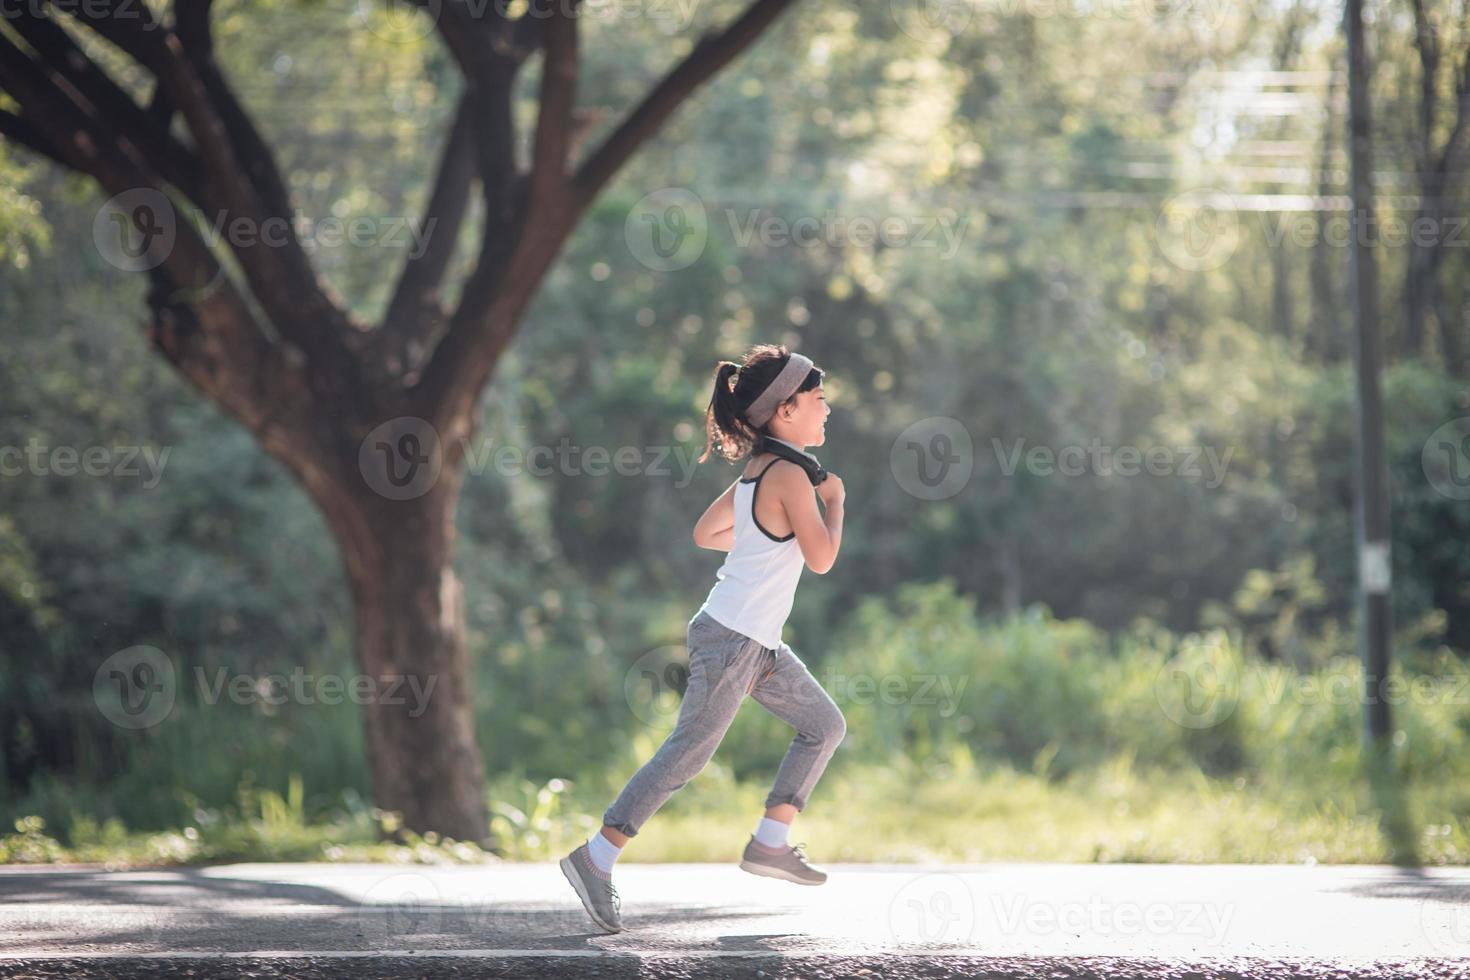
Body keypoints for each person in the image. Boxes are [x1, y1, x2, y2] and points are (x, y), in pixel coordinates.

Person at [560, 344, 848, 933]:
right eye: (819, 401)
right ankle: (596, 857)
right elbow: (821, 559)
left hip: (754, 641)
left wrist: (762, 540)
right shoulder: (792, 474)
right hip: (733, 637)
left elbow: (706, 531)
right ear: (786, 411)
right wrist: (835, 504)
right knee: (687, 753)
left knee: (825, 725)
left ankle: (770, 841)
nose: (827, 411)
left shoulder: (759, 471)